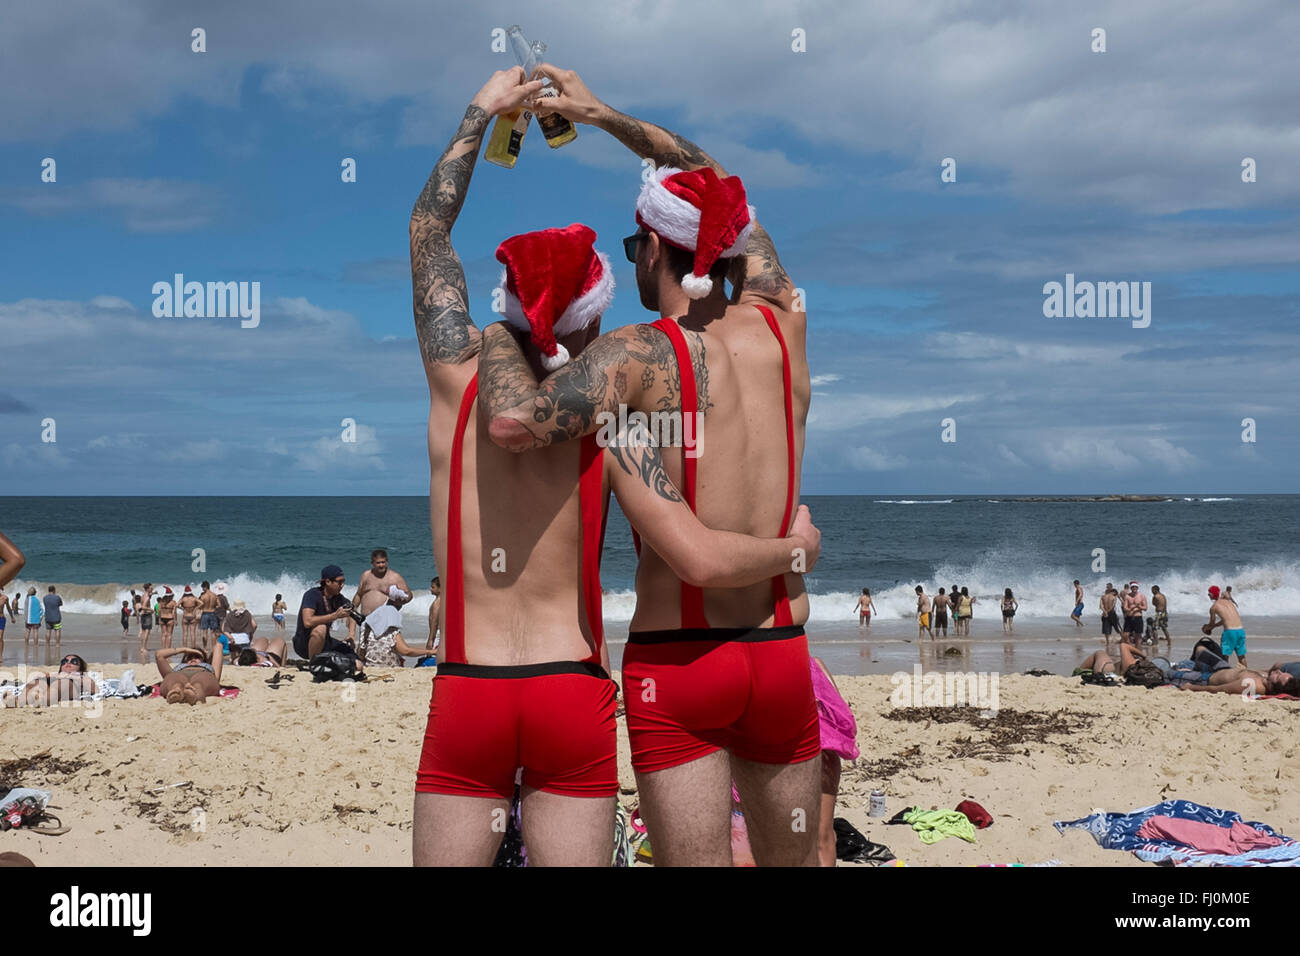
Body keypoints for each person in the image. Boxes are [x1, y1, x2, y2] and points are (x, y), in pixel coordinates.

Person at [409, 69, 822, 868]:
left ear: (656, 249)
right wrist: (596, 115)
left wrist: (483, 113)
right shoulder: (782, 320)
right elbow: (712, 184)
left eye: (637, 244)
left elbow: (429, 232)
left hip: (636, 665)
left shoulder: (618, 374)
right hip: (760, 650)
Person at [353, 549, 419, 667]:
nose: (381, 565)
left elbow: (409, 595)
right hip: (366, 620)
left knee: (386, 650)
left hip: (384, 621)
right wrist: (353, 609)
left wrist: (403, 599)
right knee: (363, 649)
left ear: (387, 562)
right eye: (378, 563)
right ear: (372, 563)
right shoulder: (366, 575)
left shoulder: (394, 577)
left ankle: (395, 664)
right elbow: (359, 594)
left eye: (383, 562)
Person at [292, 565, 359, 662]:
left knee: (356, 662)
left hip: (325, 642)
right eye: (339, 582)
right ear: (328, 582)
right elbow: (307, 621)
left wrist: (351, 634)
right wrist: (334, 616)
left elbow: (353, 612)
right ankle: (314, 665)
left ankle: (327, 662)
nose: (342, 585)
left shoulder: (338, 598)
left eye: (343, 581)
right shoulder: (312, 595)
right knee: (321, 628)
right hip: (303, 644)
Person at [156, 645, 224, 705]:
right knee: (175, 682)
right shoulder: (178, 668)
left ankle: (195, 695)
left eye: (197, 657)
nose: (193, 659)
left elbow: (218, 646)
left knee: (198, 684)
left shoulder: (207, 667)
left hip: (202, 672)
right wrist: (184, 650)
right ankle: (177, 691)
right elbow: (159, 655)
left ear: (204, 660)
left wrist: (206, 653)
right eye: (189, 657)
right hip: (180, 673)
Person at [1204, 585, 1248, 667]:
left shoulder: (1213, 607)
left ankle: (1225, 674)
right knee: (1241, 656)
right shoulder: (1228, 601)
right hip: (1240, 630)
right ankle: (1246, 674)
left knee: (1224, 657)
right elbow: (1225, 620)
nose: (1208, 595)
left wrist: (1206, 628)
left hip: (1230, 633)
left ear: (1213, 594)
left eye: (1209, 593)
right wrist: (1215, 626)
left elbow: (1211, 623)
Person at [197, 581, 220, 652]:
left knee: (204, 632)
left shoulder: (203, 596)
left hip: (205, 613)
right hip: (213, 613)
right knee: (213, 632)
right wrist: (213, 607)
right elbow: (219, 605)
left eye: (202, 588)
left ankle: (205, 648)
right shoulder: (214, 595)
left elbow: (199, 605)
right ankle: (213, 648)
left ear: (205, 587)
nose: (202, 589)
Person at [1121, 581, 1147, 645]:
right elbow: (1125, 608)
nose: (1134, 588)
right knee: (1125, 635)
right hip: (1129, 617)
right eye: (1133, 587)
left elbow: (1145, 608)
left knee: (1138, 636)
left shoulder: (1141, 596)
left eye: (1135, 587)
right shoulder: (1127, 596)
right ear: (1131, 588)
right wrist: (1132, 608)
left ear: (1137, 588)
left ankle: (1138, 651)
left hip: (1138, 617)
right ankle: (1131, 648)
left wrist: (1138, 607)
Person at [42, 585, 63, 659]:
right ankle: (57, 644)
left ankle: (47, 643)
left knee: (48, 631)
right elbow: (61, 604)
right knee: (57, 631)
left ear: (48, 590)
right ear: (54, 590)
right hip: (56, 617)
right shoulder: (57, 597)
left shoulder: (44, 598)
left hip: (48, 617)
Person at [136, 582, 154, 662]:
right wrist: (151, 609)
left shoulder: (143, 595)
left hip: (143, 616)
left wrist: (153, 593)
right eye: (151, 588)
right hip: (147, 615)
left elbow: (147, 598)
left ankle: (142, 647)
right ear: (148, 588)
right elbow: (143, 607)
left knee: (143, 632)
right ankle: (144, 648)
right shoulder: (147, 597)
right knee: (147, 632)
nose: (152, 588)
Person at [24, 586, 42, 655]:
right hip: (36, 619)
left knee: (27, 631)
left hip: (28, 619)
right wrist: (40, 618)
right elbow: (40, 609)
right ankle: (35, 644)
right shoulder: (37, 600)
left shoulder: (27, 599)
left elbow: (25, 609)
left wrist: (25, 618)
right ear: (35, 593)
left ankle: (26, 644)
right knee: (35, 631)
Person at [426, 577, 441, 654]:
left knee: (431, 653)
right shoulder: (442, 601)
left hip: (436, 633)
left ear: (440, 589)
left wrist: (430, 639)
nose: (430, 588)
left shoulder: (437, 603)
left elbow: (434, 621)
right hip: (438, 632)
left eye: (433, 587)